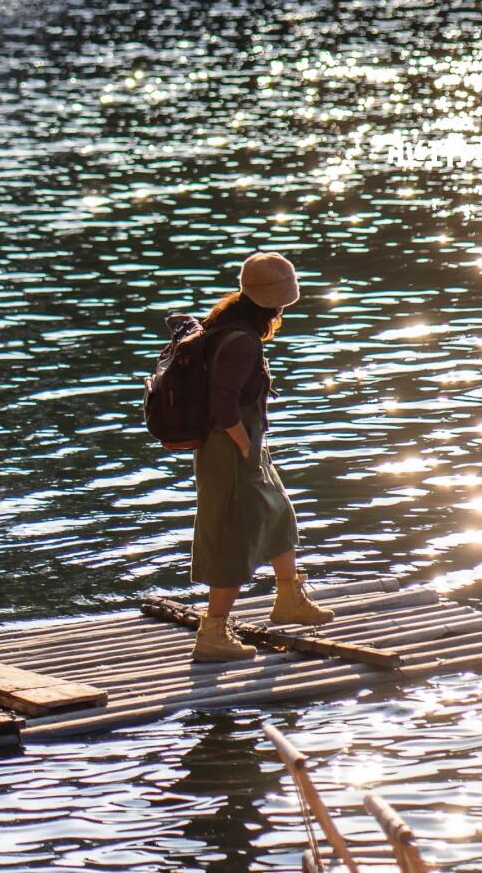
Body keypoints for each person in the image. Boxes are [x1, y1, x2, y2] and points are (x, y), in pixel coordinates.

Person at [190, 251, 334, 663]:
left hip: (242, 444)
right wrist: (244, 444)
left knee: (278, 514)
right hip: (232, 447)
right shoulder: (241, 341)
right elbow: (224, 404)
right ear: (276, 301)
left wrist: (251, 444)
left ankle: (289, 597)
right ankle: (212, 633)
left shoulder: (228, 324)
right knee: (233, 537)